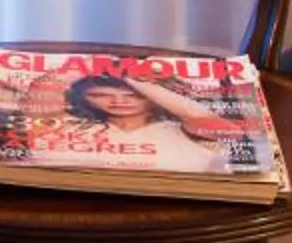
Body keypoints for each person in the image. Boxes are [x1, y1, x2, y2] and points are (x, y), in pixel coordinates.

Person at [60, 71, 235, 171]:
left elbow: (215, 125)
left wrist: (129, 75)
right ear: (84, 98)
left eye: (136, 96)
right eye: (100, 95)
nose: (118, 102)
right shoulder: (73, 127)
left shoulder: (182, 130)